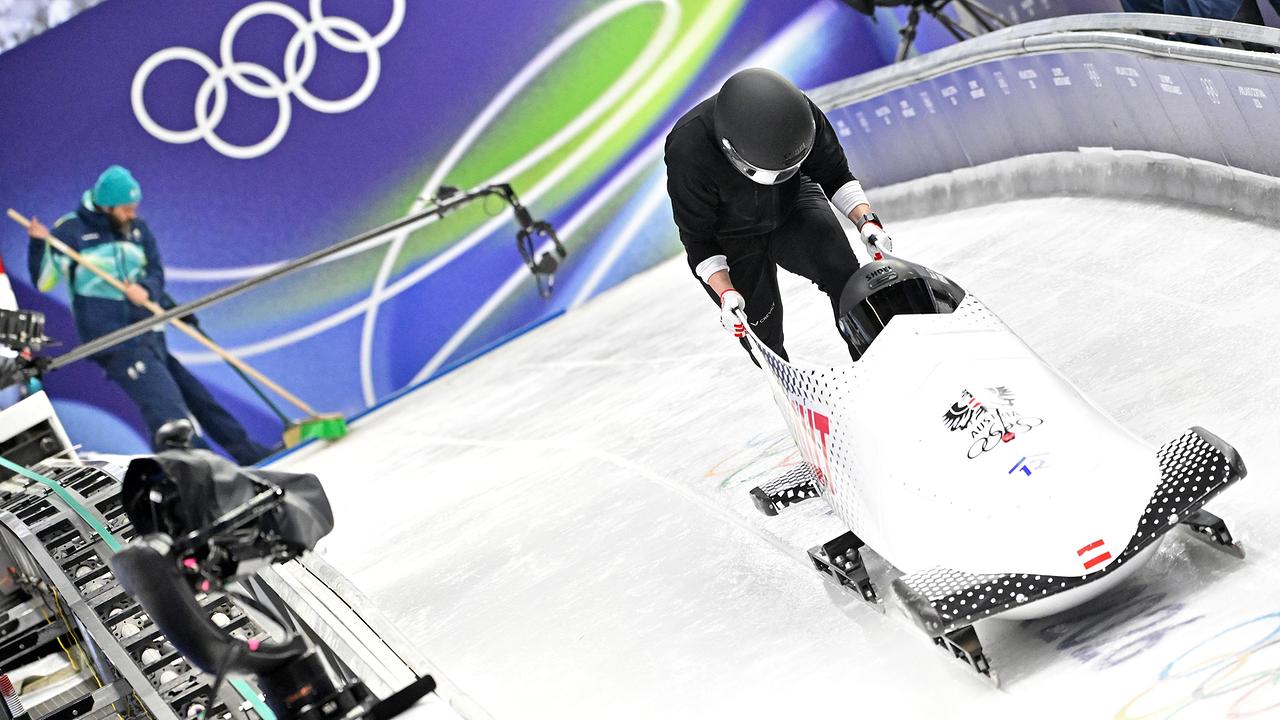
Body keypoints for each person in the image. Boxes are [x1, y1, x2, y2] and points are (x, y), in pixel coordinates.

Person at [25, 165, 270, 464]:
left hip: (151, 333)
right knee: (169, 413)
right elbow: (44, 280)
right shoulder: (71, 230)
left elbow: (155, 272)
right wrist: (40, 244)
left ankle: (251, 456)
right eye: (126, 209)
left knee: (200, 400)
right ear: (106, 205)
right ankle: (207, 476)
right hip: (117, 342)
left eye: (134, 208)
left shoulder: (138, 230)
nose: (131, 215)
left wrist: (149, 292)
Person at [664, 67, 893, 364]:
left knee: (847, 278)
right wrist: (726, 294)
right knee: (761, 336)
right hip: (729, 238)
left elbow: (835, 174)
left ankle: (876, 364)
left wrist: (868, 223)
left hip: (792, 202)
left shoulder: (801, 114)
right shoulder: (688, 151)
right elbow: (699, 241)